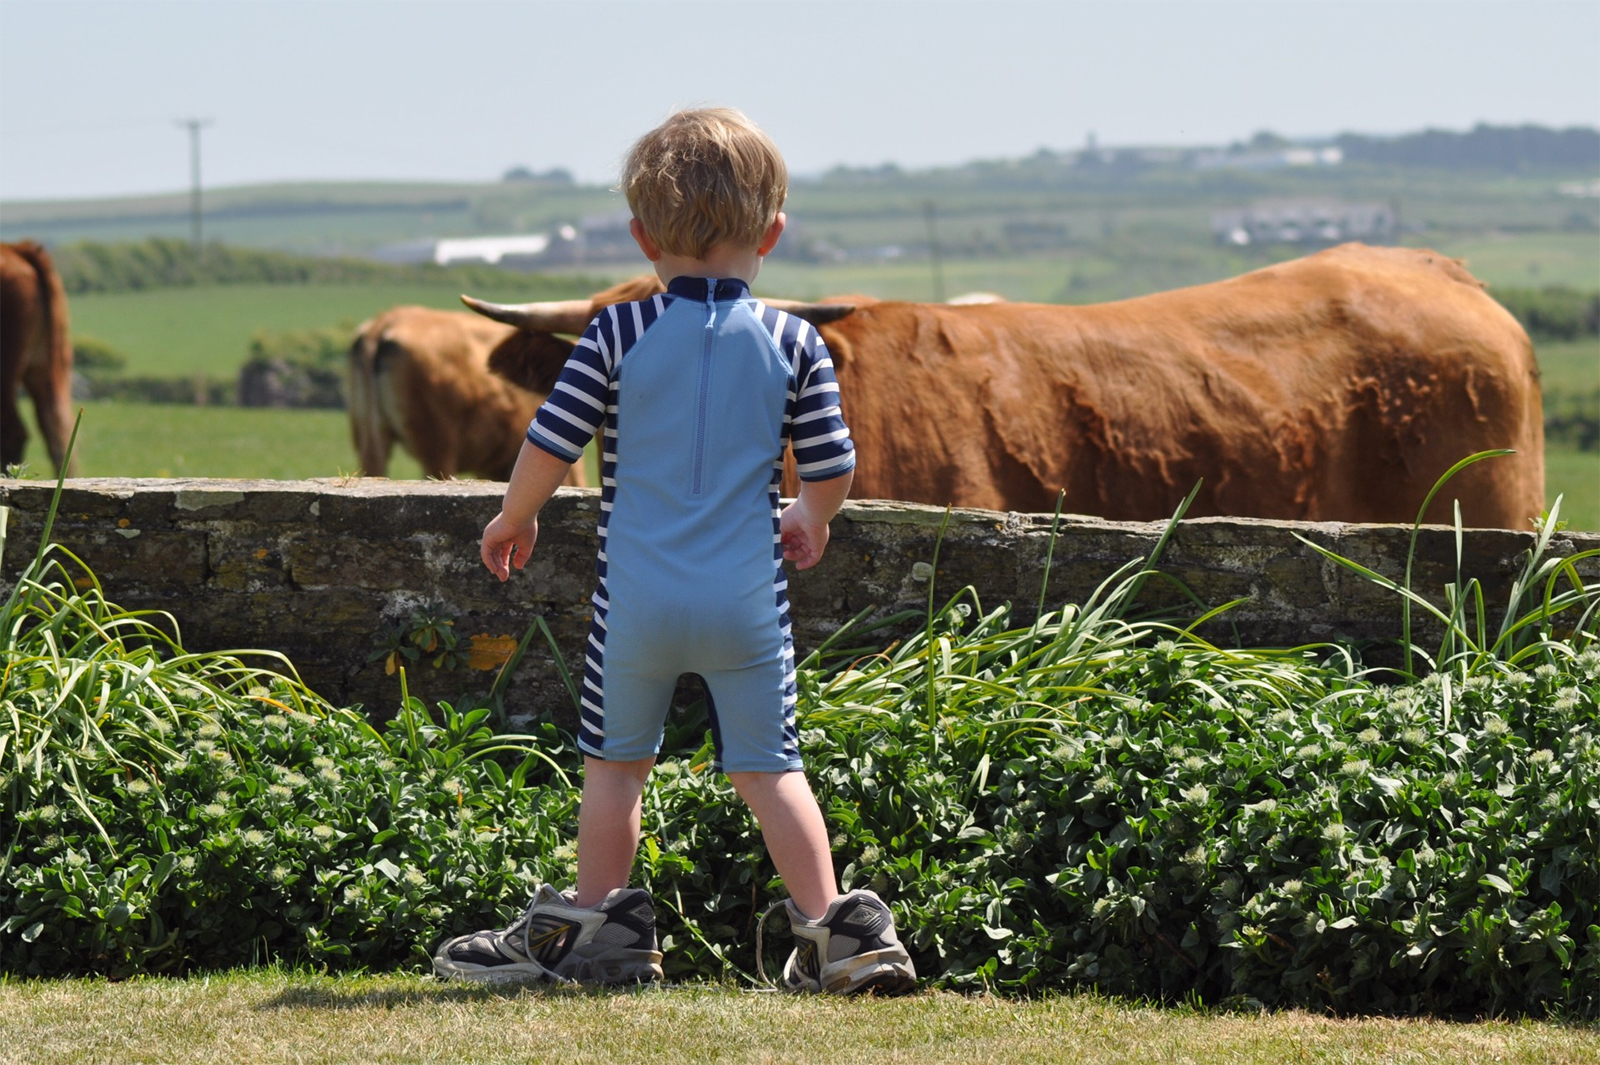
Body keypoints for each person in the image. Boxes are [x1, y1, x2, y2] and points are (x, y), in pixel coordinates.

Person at [431, 107, 916, 995]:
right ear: (772, 231)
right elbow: (835, 462)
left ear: (641, 234)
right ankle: (838, 932)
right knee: (772, 771)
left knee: (615, 769)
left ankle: (602, 928)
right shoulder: (796, 341)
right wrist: (812, 515)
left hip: (638, 607)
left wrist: (516, 517)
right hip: (746, 605)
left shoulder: (614, 334)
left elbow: (551, 438)